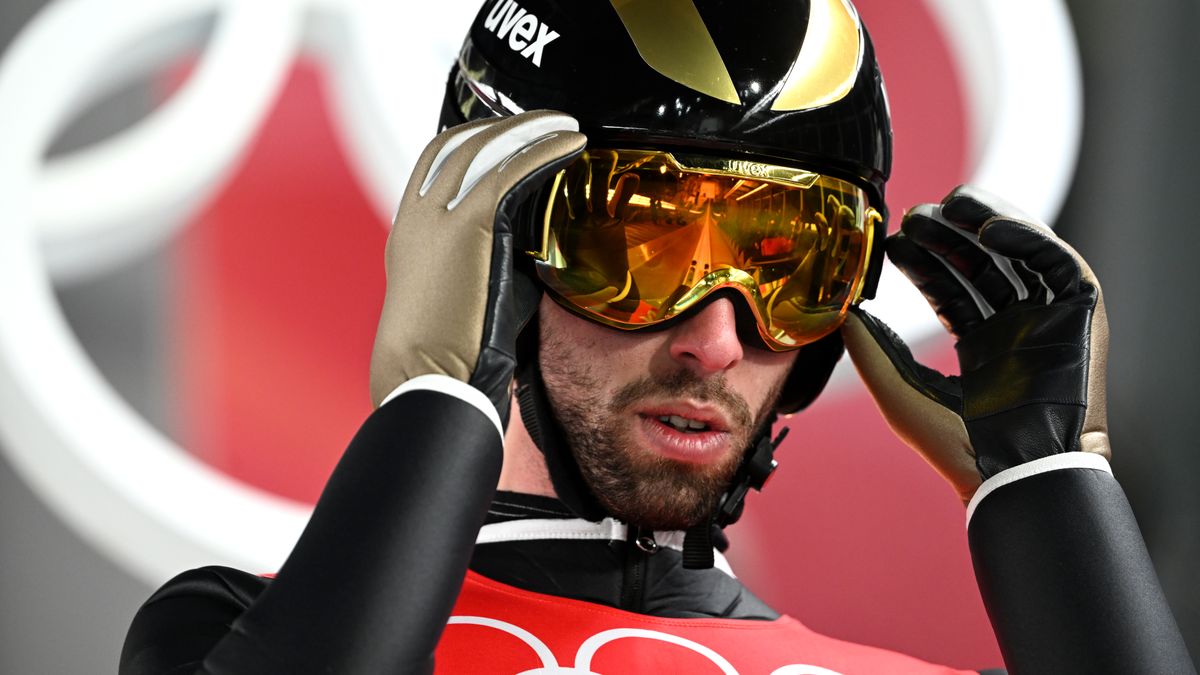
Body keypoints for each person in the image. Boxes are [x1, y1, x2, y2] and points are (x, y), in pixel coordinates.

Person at [120, 1, 1194, 673]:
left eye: (788, 264)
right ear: (498, 246)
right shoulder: (235, 634)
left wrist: (1047, 499)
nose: (718, 343)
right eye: (643, 243)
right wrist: (443, 390)